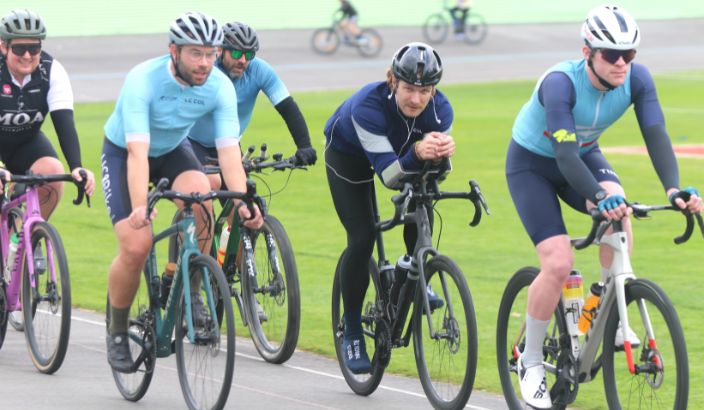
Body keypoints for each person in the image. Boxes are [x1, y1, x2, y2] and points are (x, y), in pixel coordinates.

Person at [505, 5, 703, 408]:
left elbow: (656, 133)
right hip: (533, 165)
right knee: (558, 262)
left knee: (621, 217)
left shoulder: (637, 79)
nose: (621, 63)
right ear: (587, 53)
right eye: (612, 54)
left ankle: (605, 305)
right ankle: (531, 359)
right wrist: (599, 196)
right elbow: (563, 155)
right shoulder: (560, 83)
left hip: (584, 155)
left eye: (628, 54)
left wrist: (673, 190)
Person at [101, 11, 262, 373]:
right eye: (195, 53)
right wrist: (140, 206)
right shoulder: (143, 79)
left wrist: (242, 201)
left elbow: (228, 152)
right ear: (174, 51)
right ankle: (117, 331)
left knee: (202, 200)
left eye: (211, 53)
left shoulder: (219, 86)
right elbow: (138, 153)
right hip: (126, 153)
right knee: (136, 246)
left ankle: (191, 288)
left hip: (173, 150)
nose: (205, 63)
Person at [324, 42, 455, 374]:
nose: (416, 99)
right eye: (409, 88)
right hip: (349, 157)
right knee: (362, 238)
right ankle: (352, 327)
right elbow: (391, 177)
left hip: (400, 152)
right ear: (393, 81)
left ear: (434, 90)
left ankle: (413, 269)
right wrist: (419, 153)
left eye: (424, 91)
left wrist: (442, 158)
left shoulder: (442, 110)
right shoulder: (367, 107)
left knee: (423, 197)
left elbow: (434, 174)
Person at [188, 21, 316, 191]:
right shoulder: (207, 71)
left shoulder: (259, 70)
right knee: (212, 183)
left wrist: (304, 145)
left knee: (247, 201)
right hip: (194, 143)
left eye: (249, 55)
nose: (243, 60)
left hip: (229, 145)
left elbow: (287, 107)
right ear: (220, 50)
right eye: (236, 53)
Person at [0, 9, 95, 214]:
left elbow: (64, 121)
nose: (27, 56)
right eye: (19, 49)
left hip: (25, 142)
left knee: (52, 174)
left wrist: (76, 166)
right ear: (4, 47)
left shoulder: (52, 70)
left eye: (34, 48)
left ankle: (30, 231)